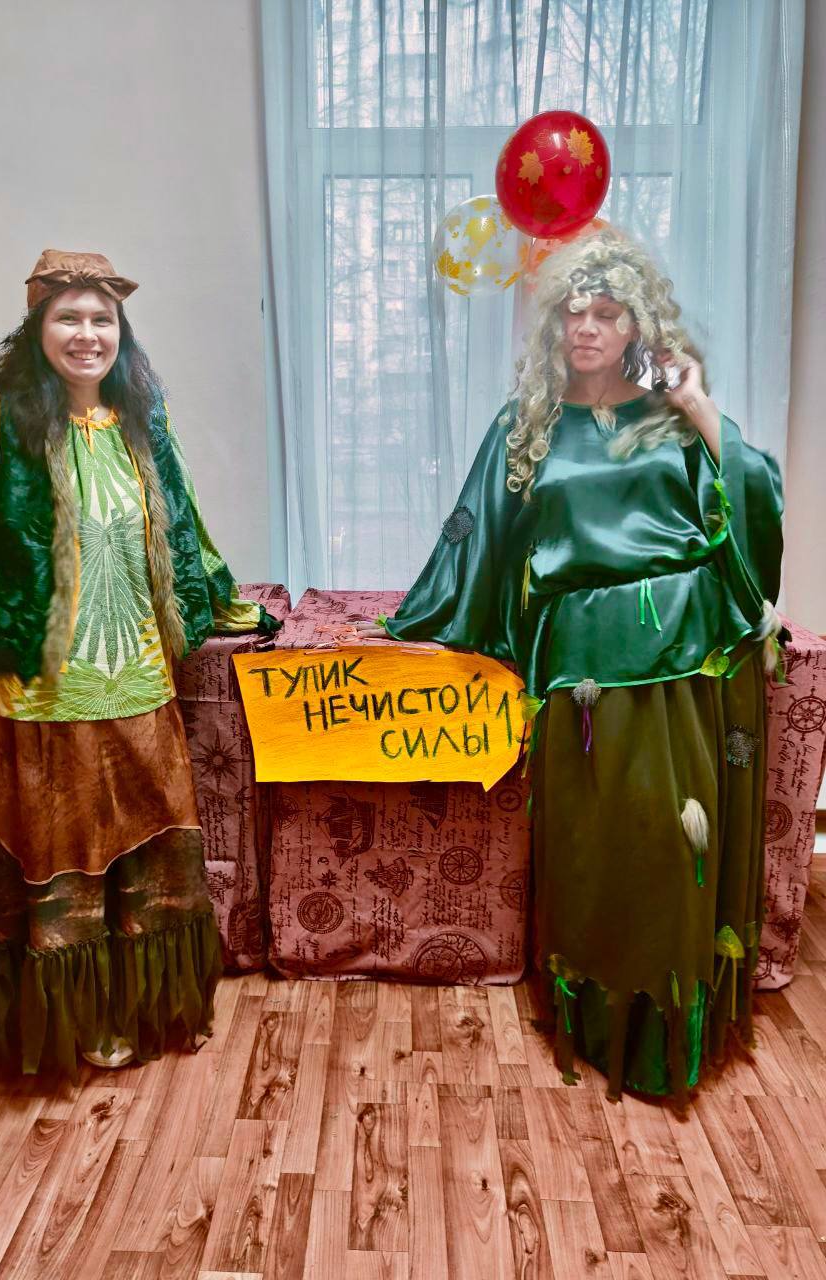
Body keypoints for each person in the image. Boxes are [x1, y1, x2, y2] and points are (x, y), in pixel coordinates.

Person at [378, 229, 784, 1103]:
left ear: (638, 325)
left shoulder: (670, 418)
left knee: (672, 843)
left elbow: (754, 497)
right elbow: (472, 533)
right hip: (581, 662)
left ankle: (669, 1033)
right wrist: (418, 624)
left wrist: (699, 404)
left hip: (680, 660)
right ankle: (600, 1020)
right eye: (574, 312)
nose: (588, 327)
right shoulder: (526, 424)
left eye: (607, 313)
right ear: (554, 324)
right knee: (593, 846)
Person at [0, 249, 276, 1076]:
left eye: (102, 319)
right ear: (36, 329)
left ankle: (144, 1010)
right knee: (64, 870)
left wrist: (231, 606)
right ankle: (76, 1027)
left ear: (121, 333)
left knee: (148, 860)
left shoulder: (142, 423)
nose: (87, 334)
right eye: (68, 318)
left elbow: (186, 530)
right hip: (37, 698)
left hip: (140, 685)